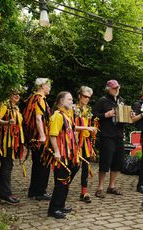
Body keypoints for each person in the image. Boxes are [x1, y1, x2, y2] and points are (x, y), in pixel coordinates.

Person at [47, 91, 80, 219]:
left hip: (69, 154)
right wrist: (56, 151)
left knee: (67, 178)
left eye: (72, 99)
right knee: (61, 181)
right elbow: (53, 135)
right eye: (69, 99)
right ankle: (54, 209)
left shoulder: (67, 115)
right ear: (61, 101)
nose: (72, 101)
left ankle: (60, 205)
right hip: (61, 154)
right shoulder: (57, 116)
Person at [0, 88, 25, 203]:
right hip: (5, 141)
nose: (17, 96)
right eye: (14, 94)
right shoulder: (5, 105)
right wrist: (6, 122)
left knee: (7, 165)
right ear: (9, 94)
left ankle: (0, 192)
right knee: (6, 165)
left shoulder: (15, 107)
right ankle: (5, 193)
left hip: (13, 141)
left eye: (18, 94)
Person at [93, 80, 125, 198]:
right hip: (106, 135)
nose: (116, 90)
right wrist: (105, 115)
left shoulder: (121, 100)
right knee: (105, 161)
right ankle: (100, 187)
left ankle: (111, 186)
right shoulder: (102, 101)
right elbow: (93, 115)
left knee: (117, 161)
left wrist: (129, 115)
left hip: (119, 135)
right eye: (114, 88)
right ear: (108, 89)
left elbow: (123, 116)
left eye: (117, 88)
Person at [23, 78, 52, 201]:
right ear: (43, 86)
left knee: (37, 163)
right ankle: (40, 191)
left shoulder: (32, 98)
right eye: (48, 85)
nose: (49, 88)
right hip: (40, 137)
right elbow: (38, 118)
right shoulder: (39, 99)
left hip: (33, 136)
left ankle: (33, 191)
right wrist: (42, 135)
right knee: (43, 163)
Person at [74, 86, 98, 203]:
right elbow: (70, 127)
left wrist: (91, 131)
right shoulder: (73, 109)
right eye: (85, 96)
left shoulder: (88, 110)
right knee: (73, 166)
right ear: (79, 96)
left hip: (86, 141)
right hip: (74, 142)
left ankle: (84, 192)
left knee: (86, 166)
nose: (87, 99)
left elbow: (88, 125)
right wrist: (86, 128)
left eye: (89, 97)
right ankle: (63, 187)